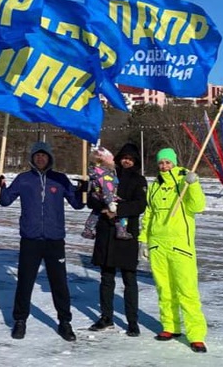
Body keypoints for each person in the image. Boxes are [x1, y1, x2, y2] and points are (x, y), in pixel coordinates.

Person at [0, 141, 85, 341]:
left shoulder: (59, 179)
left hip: (54, 240)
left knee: (59, 283)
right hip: (30, 239)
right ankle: (20, 321)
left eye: (44, 155)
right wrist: (0, 187)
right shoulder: (24, 179)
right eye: (37, 155)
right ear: (32, 158)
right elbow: (5, 201)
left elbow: (78, 204)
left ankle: (65, 322)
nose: (40, 158)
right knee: (25, 282)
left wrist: (83, 191)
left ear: (50, 157)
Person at [139, 148, 208, 353]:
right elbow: (149, 214)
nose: (164, 166)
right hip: (158, 244)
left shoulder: (185, 179)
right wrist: (144, 240)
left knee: (187, 291)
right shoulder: (155, 186)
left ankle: (196, 335)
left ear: (174, 162)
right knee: (164, 289)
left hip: (181, 246)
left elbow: (198, 207)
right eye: (161, 163)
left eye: (168, 162)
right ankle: (170, 326)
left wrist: (193, 185)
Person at [87, 143, 148, 336]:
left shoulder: (139, 180)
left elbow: (140, 205)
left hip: (126, 235)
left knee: (130, 279)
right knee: (106, 278)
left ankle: (132, 321)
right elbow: (91, 198)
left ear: (135, 161)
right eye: (124, 157)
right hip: (106, 232)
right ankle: (106, 317)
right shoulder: (106, 174)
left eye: (130, 158)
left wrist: (118, 210)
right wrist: (104, 207)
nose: (126, 161)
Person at [82, 148, 131, 240]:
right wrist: (110, 202)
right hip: (107, 197)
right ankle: (121, 230)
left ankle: (88, 229)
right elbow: (106, 188)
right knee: (121, 213)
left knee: (96, 213)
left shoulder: (96, 173)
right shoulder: (105, 175)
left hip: (98, 196)